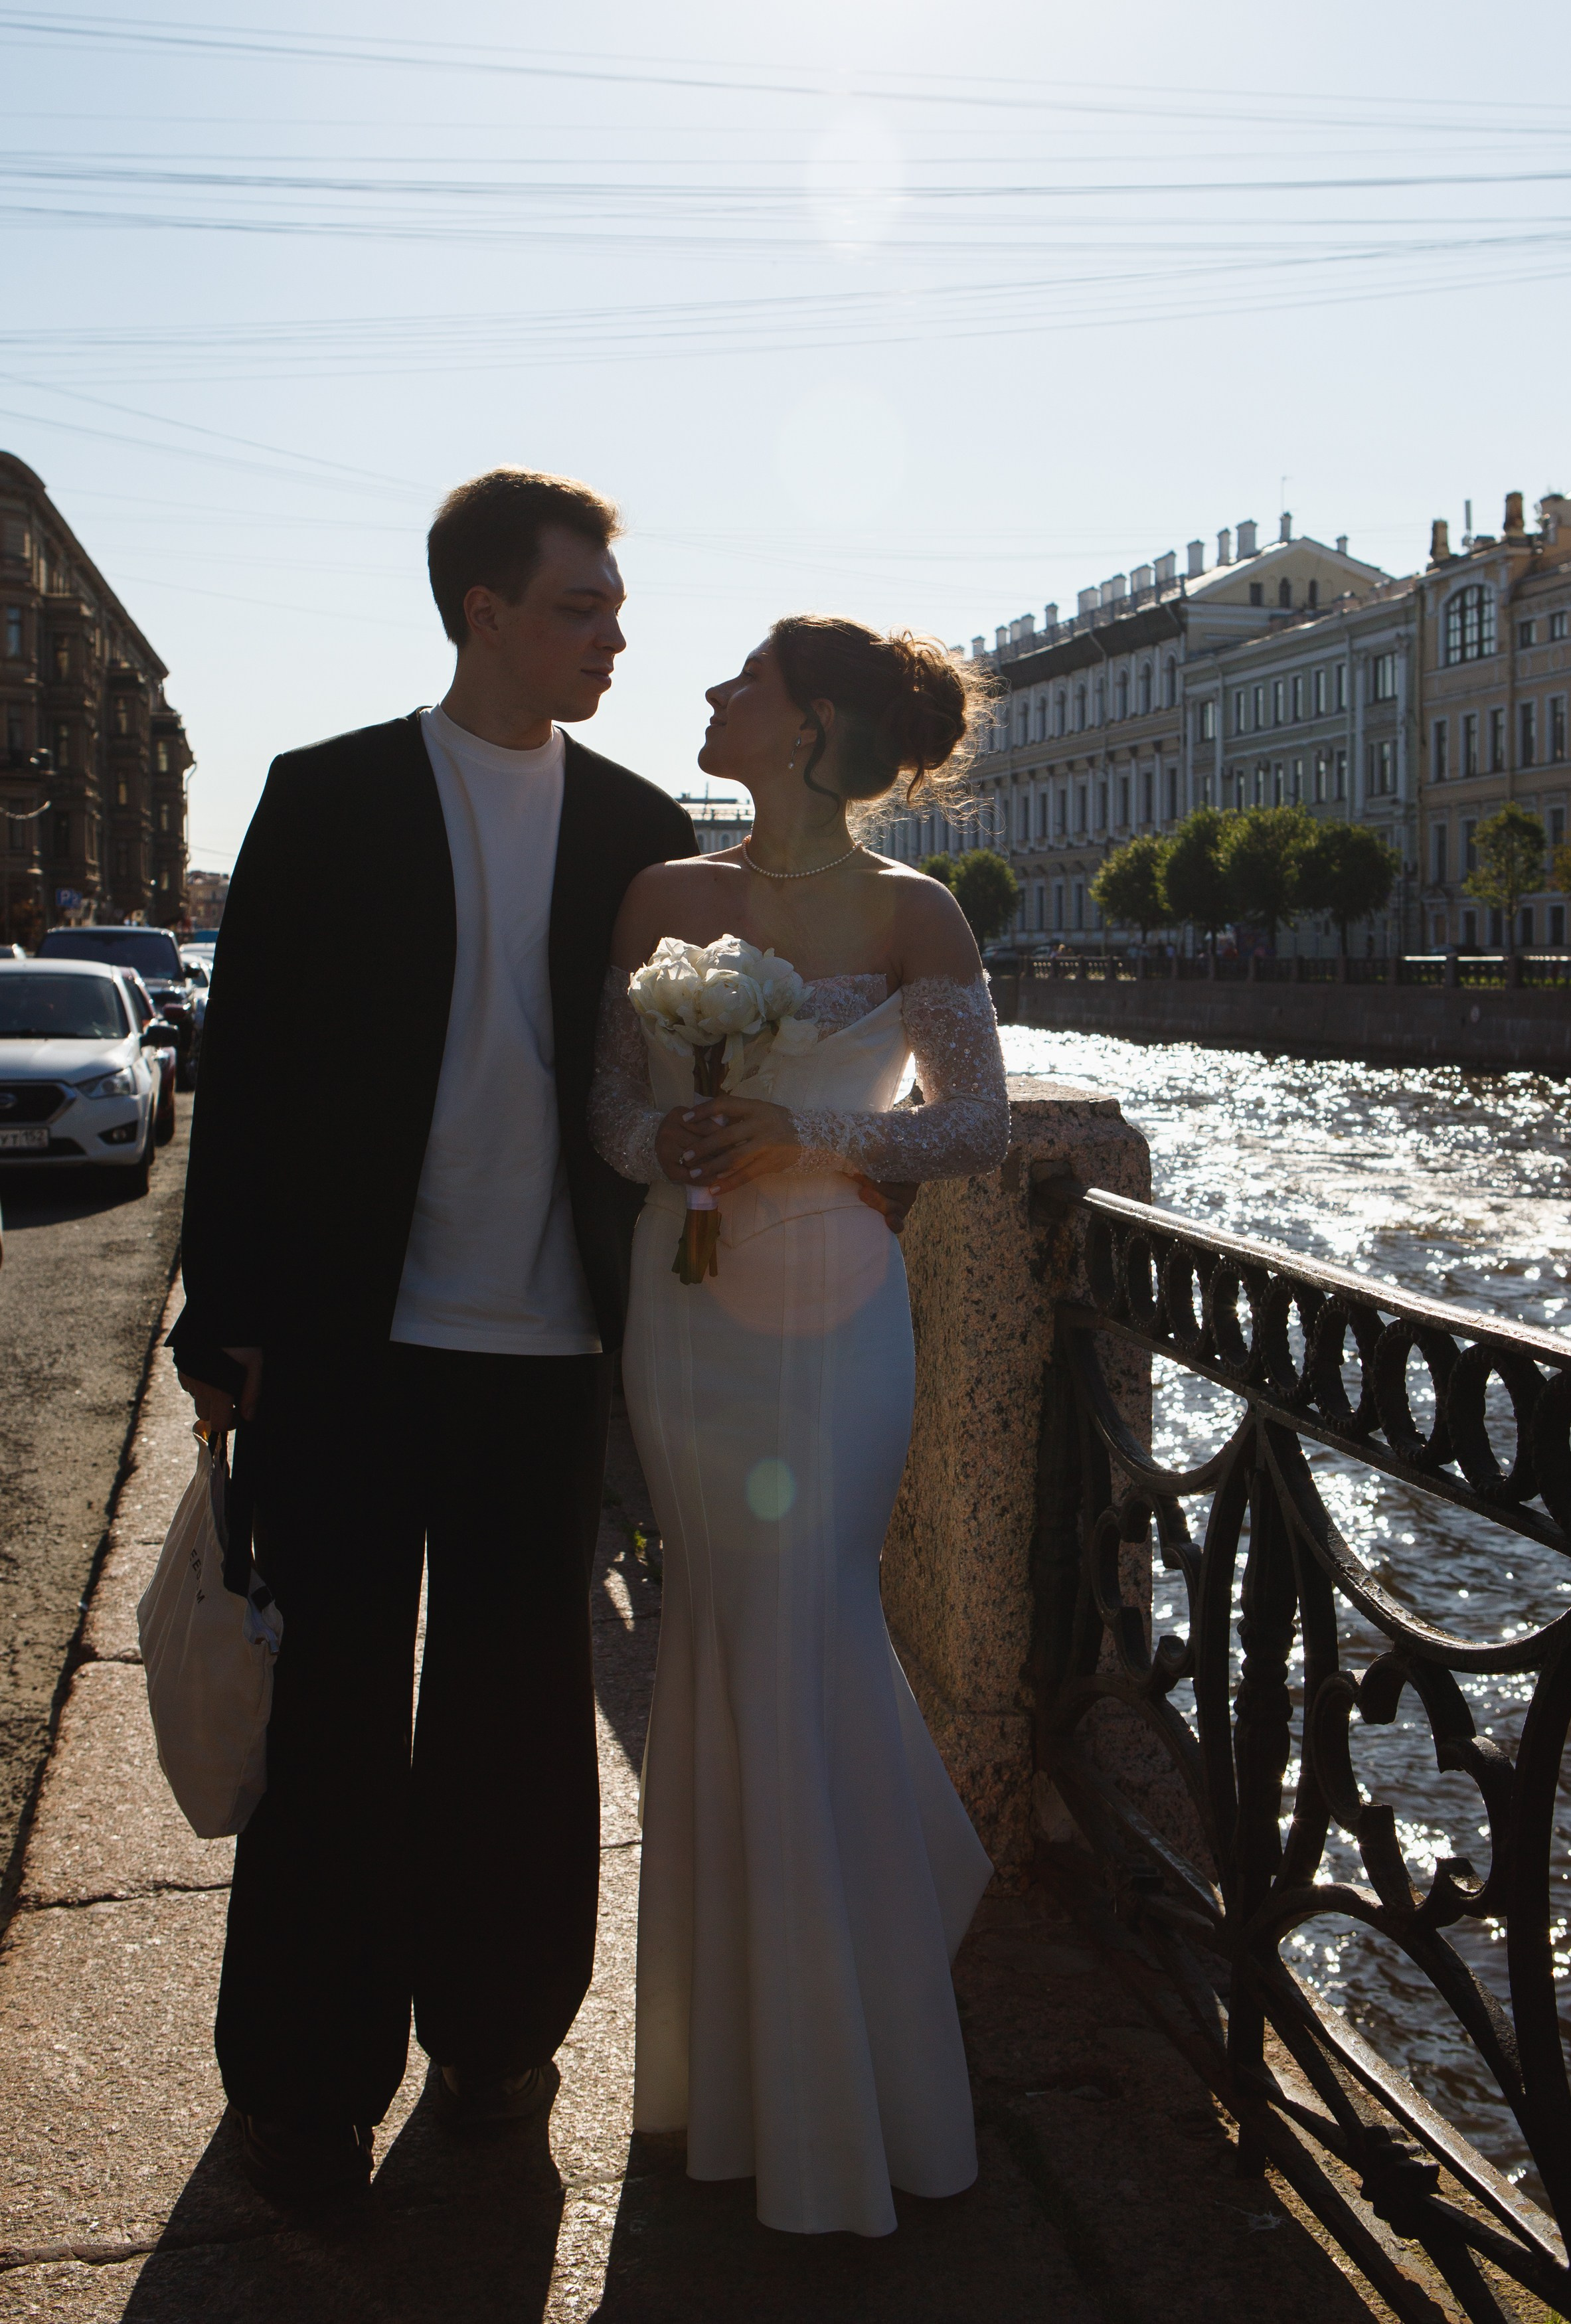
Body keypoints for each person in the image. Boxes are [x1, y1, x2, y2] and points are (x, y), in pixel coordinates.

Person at [171, 467, 699, 2206]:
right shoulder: (325, 800)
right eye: (578, 605)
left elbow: (653, 1092)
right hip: (346, 1339)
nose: (611, 633)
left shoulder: (636, 827)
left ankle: (498, 2034)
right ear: (482, 607)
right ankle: (306, 2076)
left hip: (544, 1351)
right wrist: (220, 1322)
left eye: (613, 608)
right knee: (328, 1709)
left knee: (517, 1710)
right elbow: (238, 1080)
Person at [588, 616, 1011, 2238]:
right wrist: (676, 1144)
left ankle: (852, 2084)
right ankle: (732, 2077)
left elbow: (970, 1122)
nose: (708, 697)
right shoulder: (663, 898)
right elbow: (612, 1110)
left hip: (838, 1309)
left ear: (816, 723)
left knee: (809, 1619)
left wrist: (812, 1134)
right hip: (686, 1310)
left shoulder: (918, 912)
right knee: (716, 1628)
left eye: (741, 681)